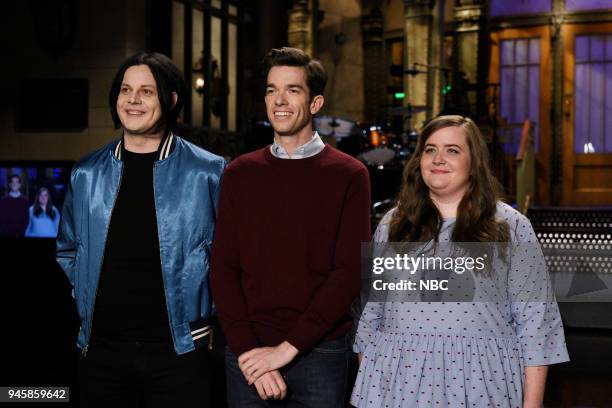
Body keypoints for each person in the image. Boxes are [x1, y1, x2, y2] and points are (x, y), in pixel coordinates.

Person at [351, 115, 569, 408]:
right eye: (430, 149)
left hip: (482, 385)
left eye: (452, 150)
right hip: (396, 387)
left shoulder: (510, 226)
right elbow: (371, 316)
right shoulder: (393, 224)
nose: (438, 159)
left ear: (473, 163)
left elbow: (537, 327)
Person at [56, 52, 225, 407]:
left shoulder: (208, 172)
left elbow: (229, 256)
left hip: (181, 349)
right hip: (100, 350)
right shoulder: (86, 173)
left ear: (171, 99)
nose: (133, 100)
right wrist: (86, 297)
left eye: (147, 91)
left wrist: (208, 317)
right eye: (125, 90)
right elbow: (69, 249)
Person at [211, 47, 371, 407]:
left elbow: (348, 273)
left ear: (315, 104)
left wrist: (285, 350)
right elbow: (223, 269)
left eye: (292, 90)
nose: (279, 100)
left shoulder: (349, 174)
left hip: (321, 354)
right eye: (271, 90)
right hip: (247, 352)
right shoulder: (240, 172)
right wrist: (252, 353)